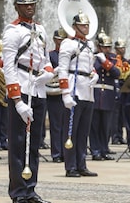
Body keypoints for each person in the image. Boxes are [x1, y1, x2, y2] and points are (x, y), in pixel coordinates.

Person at [2, 0, 55, 203]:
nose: (29, 7)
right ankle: (18, 192)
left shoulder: (41, 29)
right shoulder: (12, 31)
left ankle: (30, 187)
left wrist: (49, 73)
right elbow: (8, 66)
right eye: (25, 5)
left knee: (34, 143)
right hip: (22, 88)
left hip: (37, 88)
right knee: (18, 142)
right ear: (17, 7)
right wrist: (17, 101)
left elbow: (45, 58)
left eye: (32, 4)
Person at [58, 10, 99, 177]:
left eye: (87, 25)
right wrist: (65, 93)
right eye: (83, 25)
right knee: (71, 131)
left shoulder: (90, 45)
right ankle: (71, 166)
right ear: (75, 27)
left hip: (87, 90)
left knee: (83, 131)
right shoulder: (68, 44)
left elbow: (90, 66)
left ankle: (82, 164)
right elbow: (62, 69)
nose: (86, 27)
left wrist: (95, 74)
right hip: (73, 89)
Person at [90, 30, 121, 161]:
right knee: (95, 126)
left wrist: (105, 62)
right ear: (99, 47)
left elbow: (117, 73)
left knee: (106, 126)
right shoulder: (92, 57)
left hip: (108, 95)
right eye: (104, 47)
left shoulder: (114, 58)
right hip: (96, 94)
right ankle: (95, 151)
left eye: (109, 47)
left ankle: (104, 149)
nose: (107, 49)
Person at [46, 28, 66, 163]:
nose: (61, 42)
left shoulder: (69, 55)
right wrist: (55, 71)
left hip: (66, 91)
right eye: (59, 40)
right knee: (56, 125)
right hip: (54, 92)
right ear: (54, 40)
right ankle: (56, 153)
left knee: (66, 124)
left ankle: (66, 152)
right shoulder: (51, 55)